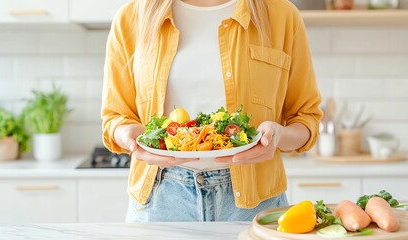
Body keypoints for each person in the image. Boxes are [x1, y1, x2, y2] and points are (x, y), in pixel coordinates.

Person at [101, 0, 322, 222]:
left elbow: (306, 119)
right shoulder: (132, 17)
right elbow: (114, 117)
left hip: (255, 202)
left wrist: (279, 136)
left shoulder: (281, 15)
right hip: (161, 200)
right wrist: (128, 136)